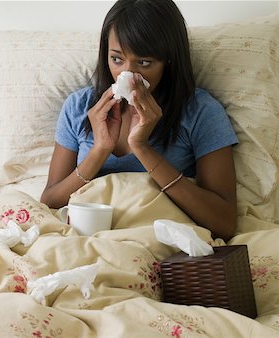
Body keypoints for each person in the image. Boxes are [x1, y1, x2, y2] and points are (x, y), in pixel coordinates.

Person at [40, 0, 238, 241]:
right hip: (87, 238)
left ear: (169, 60)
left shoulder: (200, 112)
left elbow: (224, 223)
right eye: (116, 59)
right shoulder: (79, 107)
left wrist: (142, 148)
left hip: (156, 240)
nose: (128, 75)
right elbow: (49, 202)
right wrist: (99, 151)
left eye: (144, 63)